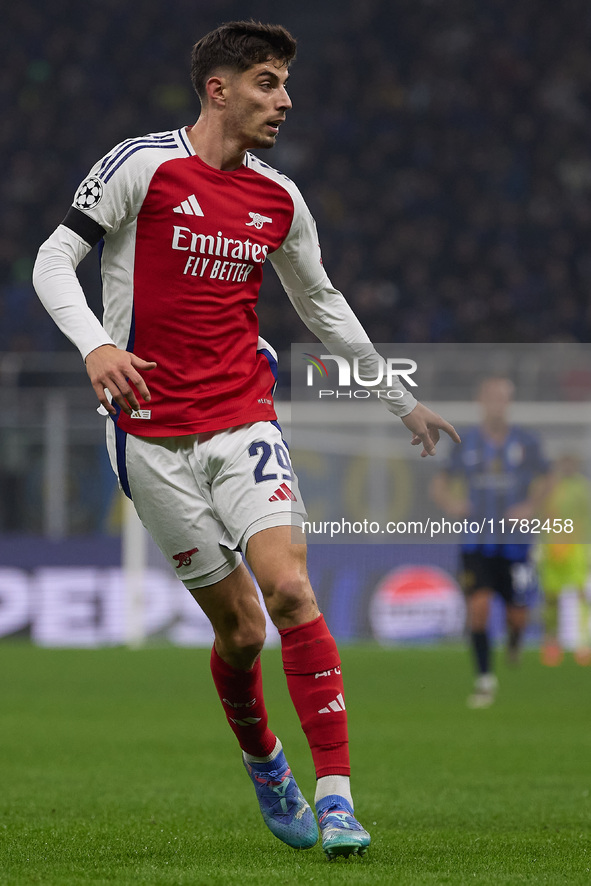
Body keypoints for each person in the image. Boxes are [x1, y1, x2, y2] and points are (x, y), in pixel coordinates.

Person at [32, 20, 459, 858]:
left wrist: (396, 399)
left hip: (243, 418)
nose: (285, 100)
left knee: (290, 591)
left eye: (286, 83)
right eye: (268, 82)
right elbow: (54, 258)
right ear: (218, 89)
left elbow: (322, 305)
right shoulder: (140, 165)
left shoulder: (278, 198)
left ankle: (336, 798)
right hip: (150, 438)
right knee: (242, 634)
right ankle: (265, 759)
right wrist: (98, 344)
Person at [431, 377, 550, 708]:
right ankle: (484, 680)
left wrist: (529, 507)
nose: (497, 403)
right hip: (476, 543)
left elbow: (548, 478)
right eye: (492, 397)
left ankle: (514, 641)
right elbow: (440, 484)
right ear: (481, 400)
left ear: (509, 402)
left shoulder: (527, 442)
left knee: (518, 617)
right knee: (479, 609)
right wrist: (452, 505)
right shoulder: (466, 442)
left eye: (503, 397)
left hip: (516, 544)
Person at [537, 455, 591, 666]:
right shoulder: (548, 487)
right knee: (551, 598)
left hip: (577, 549)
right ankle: (551, 643)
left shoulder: (583, 488)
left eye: (571, 463)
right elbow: (539, 514)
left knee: (581, 595)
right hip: (551, 549)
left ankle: (583, 644)